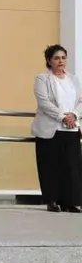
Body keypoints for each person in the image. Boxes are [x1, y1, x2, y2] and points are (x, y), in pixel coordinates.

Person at [31, 44, 82, 213]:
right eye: (56, 58)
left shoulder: (73, 79)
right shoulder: (42, 79)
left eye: (63, 58)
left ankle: (71, 202)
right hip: (50, 129)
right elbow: (44, 103)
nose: (61, 61)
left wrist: (74, 115)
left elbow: (80, 101)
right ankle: (52, 200)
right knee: (50, 166)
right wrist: (62, 117)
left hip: (71, 129)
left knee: (72, 167)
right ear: (49, 60)